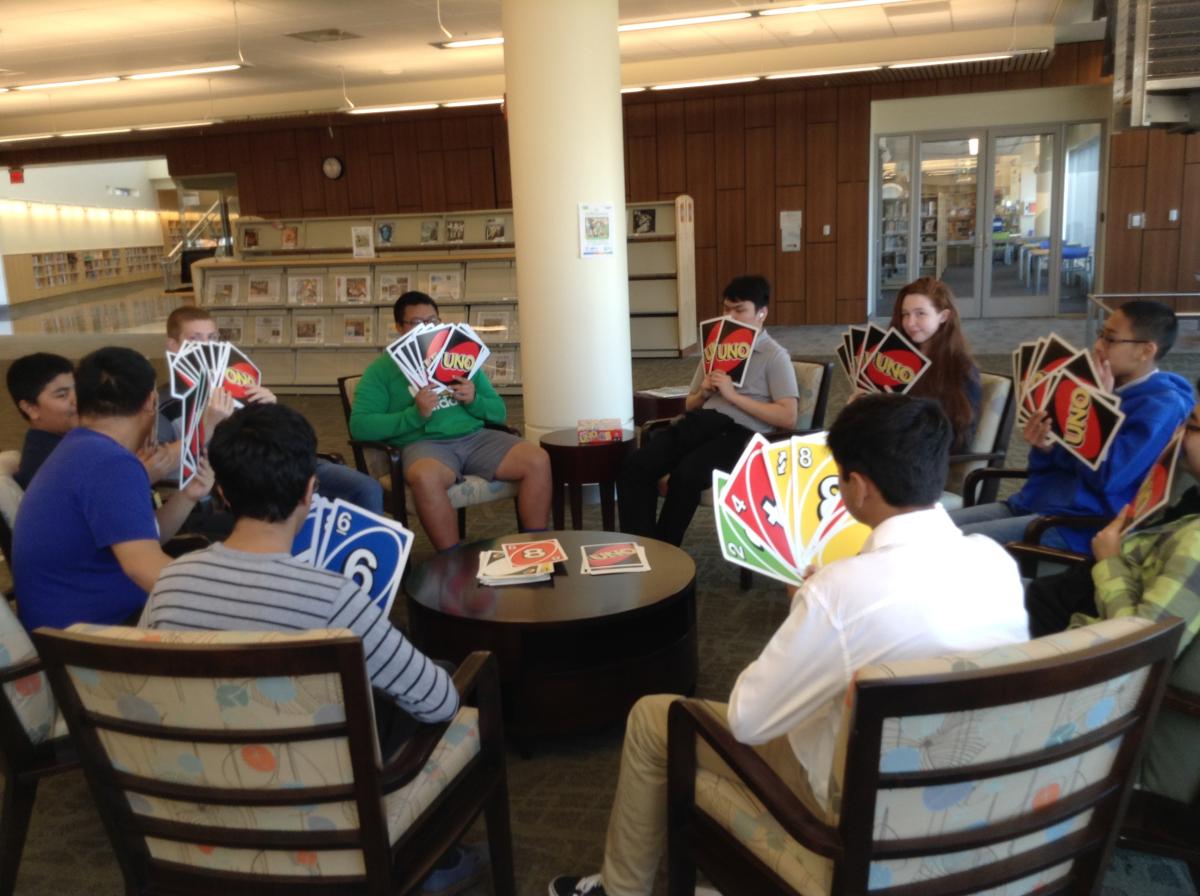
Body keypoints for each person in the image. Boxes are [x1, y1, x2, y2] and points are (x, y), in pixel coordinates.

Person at [551, 394, 1028, 896]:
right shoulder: (995, 563)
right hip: (962, 800)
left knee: (653, 719)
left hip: (847, 810)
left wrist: (805, 610)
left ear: (859, 488)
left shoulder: (840, 591)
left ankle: (620, 890)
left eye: (837, 476)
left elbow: (746, 720)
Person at [141, 402, 487, 894]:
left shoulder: (171, 582)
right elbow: (439, 702)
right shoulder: (331, 596)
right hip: (314, 789)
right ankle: (432, 856)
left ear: (220, 492)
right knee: (442, 674)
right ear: (309, 490)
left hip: (202, 781)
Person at [1024, 392, 1200, 805]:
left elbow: (1141, 646)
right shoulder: (1189, 501)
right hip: (1077, 626)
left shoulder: (1196, 543)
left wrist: (1109, 561)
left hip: (1088, 676)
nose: (1178, 433)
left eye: (1190, 426)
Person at [949, 300, 1193, 553]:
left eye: (1110, 339)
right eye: (1101, 335)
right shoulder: (1095, 385)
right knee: (928, 532)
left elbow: (1109, 478)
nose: (1098, 346)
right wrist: (1047, 447)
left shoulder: (1162, 407)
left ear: (1145, 351)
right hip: (1036, 502)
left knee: (947, 548)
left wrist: (1099, 407)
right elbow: (1060, 464)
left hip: (1077, 524)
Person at [13, 347, 214, 631]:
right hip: (89, 644)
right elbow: (143, 567)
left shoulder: (83, 448)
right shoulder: (110, 463)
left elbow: (143, 539)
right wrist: (226, 598)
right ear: (150, 401)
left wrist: (188, 495)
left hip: (69, 631)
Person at [349, 291, 551, 551]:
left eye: (433, 321)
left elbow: (499, 412)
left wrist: (474, 398)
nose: (427, 328)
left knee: (537, 459)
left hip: (476, 438)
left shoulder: (459, 358)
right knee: (425, 477)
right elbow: (361, 426)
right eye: (417, 323)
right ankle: (452, 562)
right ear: (399, 328)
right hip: (423, 444)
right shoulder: (382, 370)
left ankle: (535, 549)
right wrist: (413, 415)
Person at [618, 275, 799, 546]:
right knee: (635, 466)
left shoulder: (774, 356)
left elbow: (789, 416)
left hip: (743, 435)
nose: (730, 316)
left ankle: (665, 550)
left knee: (686, 477)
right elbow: (689, 403)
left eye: (739, 310)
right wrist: (703, 392)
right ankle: (644, 547)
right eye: (726, 309)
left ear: (761, 313)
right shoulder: (716, 349)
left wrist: (733, 396)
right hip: (702, 423)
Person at [159, 305, 384, 515]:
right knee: (283, 507)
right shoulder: (165, 403)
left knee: (366, 488)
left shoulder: (235, 380)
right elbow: (162, 466)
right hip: (237, 480)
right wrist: (207, 425)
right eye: (195, 341)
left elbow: (285, 437)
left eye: (213, 339)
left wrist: (272, 411)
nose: (208, 348)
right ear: (173, 347)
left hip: (280, 461)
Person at [887, 276, 981, 451]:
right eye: (905, 314)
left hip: (926, 458)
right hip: (892, 447)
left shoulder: (960, 368)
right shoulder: (893, 359)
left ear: (943, 316)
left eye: (920, 313)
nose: (910, 322)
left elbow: (962, 439)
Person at [6, 352, 77, 489]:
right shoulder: (51, 463)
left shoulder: (63, 447)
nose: (77, 401)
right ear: (30, 408)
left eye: (78, 391)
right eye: (62, 395)